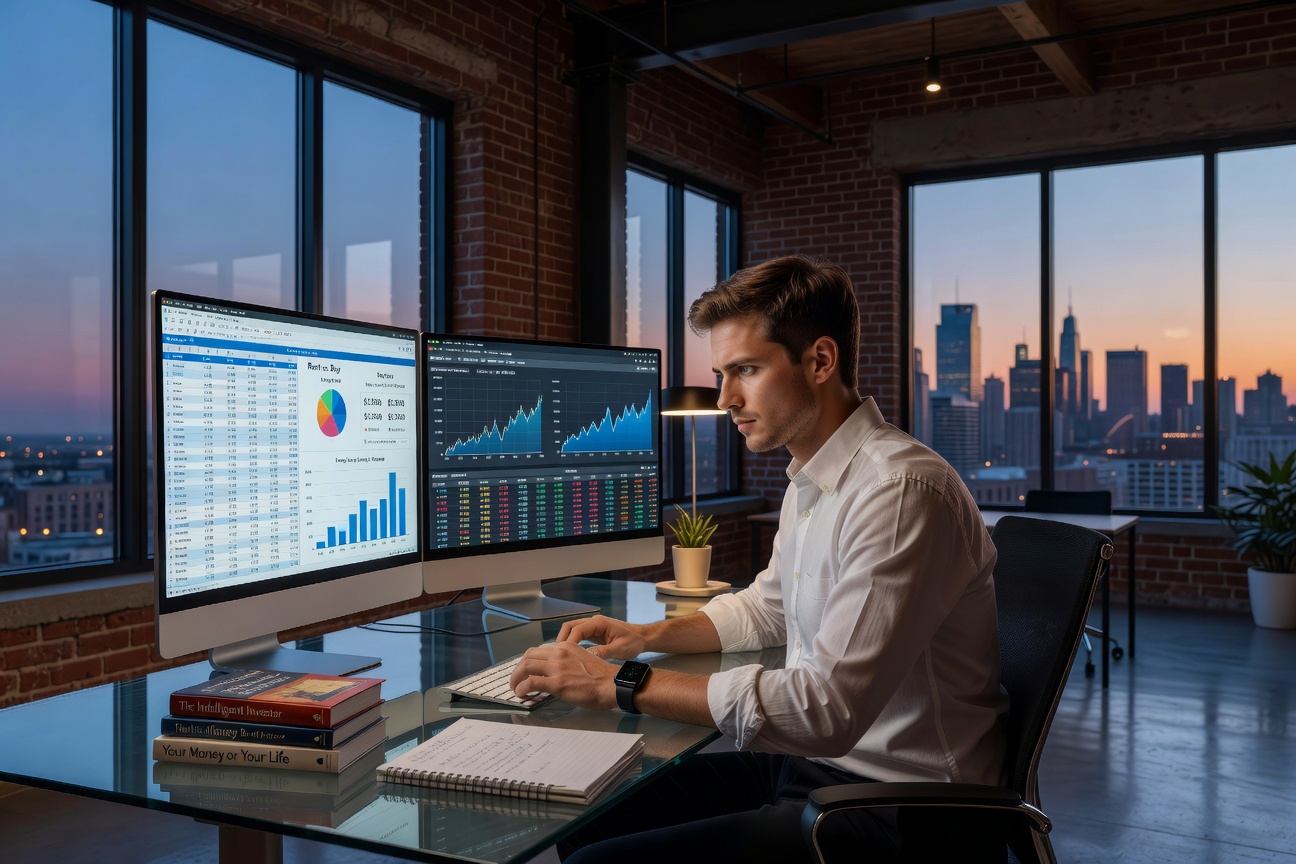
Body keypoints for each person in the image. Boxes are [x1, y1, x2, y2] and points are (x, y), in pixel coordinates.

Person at [509, 254, 1007, 863]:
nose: (725, 398)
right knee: (585, 807)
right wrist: (643, 637)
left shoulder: (899, 491)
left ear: (820, 361)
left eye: (745, 369)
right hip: (814, 769)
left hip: (904, 809)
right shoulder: (814, 477)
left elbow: (825, 710)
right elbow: (767, 609)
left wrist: (620, 683)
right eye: (722, 374)